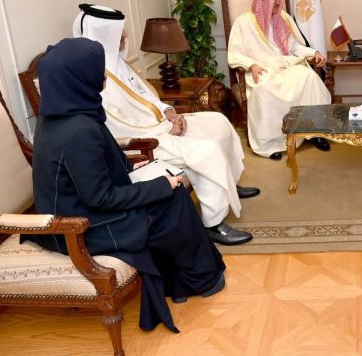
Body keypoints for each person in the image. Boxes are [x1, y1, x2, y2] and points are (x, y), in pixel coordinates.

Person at [28, 37, 227, 332]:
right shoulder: (78, 130)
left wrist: (135, 169)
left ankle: (182, 281)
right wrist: (162, 185)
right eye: (97, 70)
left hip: (77, 207)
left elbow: (89, 172)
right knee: (171, 199)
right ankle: (198, 280)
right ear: (80, 77)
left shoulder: (63, 114)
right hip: (77, 226)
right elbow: (100, 198)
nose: (103, 75)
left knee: (170, 194)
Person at [73, 4, 254, 246]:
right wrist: (168, 129)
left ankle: (228, 182)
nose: (125, 35)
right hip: (146, 140)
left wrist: (169, 112)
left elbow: (145, 96)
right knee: (207, 150)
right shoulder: (94, 77)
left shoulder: (118, 63)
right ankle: (214, 224)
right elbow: (118, 127)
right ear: (104, 33)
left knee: (217, 122)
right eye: (119, 31)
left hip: (160, 124)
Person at [227, 0, 332, 159]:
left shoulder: (283, 18)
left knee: (309, 78)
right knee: (265, 89)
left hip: (285, 65)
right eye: (274, 1)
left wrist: (313, 52)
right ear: (263, 1)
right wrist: (251, 65)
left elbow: (294, 47)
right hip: (261, 69)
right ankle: (270, 143)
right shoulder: (244, 22)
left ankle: (315, 132)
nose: (278, 4)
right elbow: (235, 53)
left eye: (279, 0)